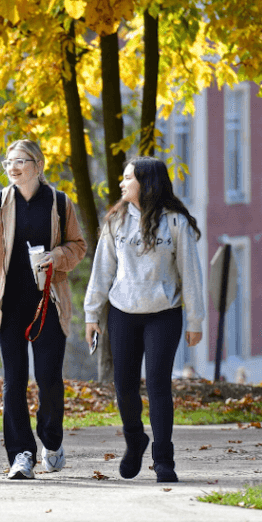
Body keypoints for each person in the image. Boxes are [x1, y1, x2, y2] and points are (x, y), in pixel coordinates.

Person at [0, 139, 87, 480]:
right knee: (14, 380)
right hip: (9, 303)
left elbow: (78, 246)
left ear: (38, 164)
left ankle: (51, 439)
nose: (13, 167)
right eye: (8, 163)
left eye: (20, 161)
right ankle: (21, 454)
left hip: (49, 301)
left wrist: (56, 257)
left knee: (48, 377)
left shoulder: (60, 203)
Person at [84, 156, 205, 483]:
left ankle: (164, 460)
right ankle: (134, 438)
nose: (122, 184)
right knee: (123, 385)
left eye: (128, 178)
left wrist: (195, 320)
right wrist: (92, 314)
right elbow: (102, 270)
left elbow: (190, 274)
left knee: (157, 385)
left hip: (163, 314)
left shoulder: (176, 223)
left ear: (146, 182)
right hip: (122, 312)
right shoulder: (115, 221)